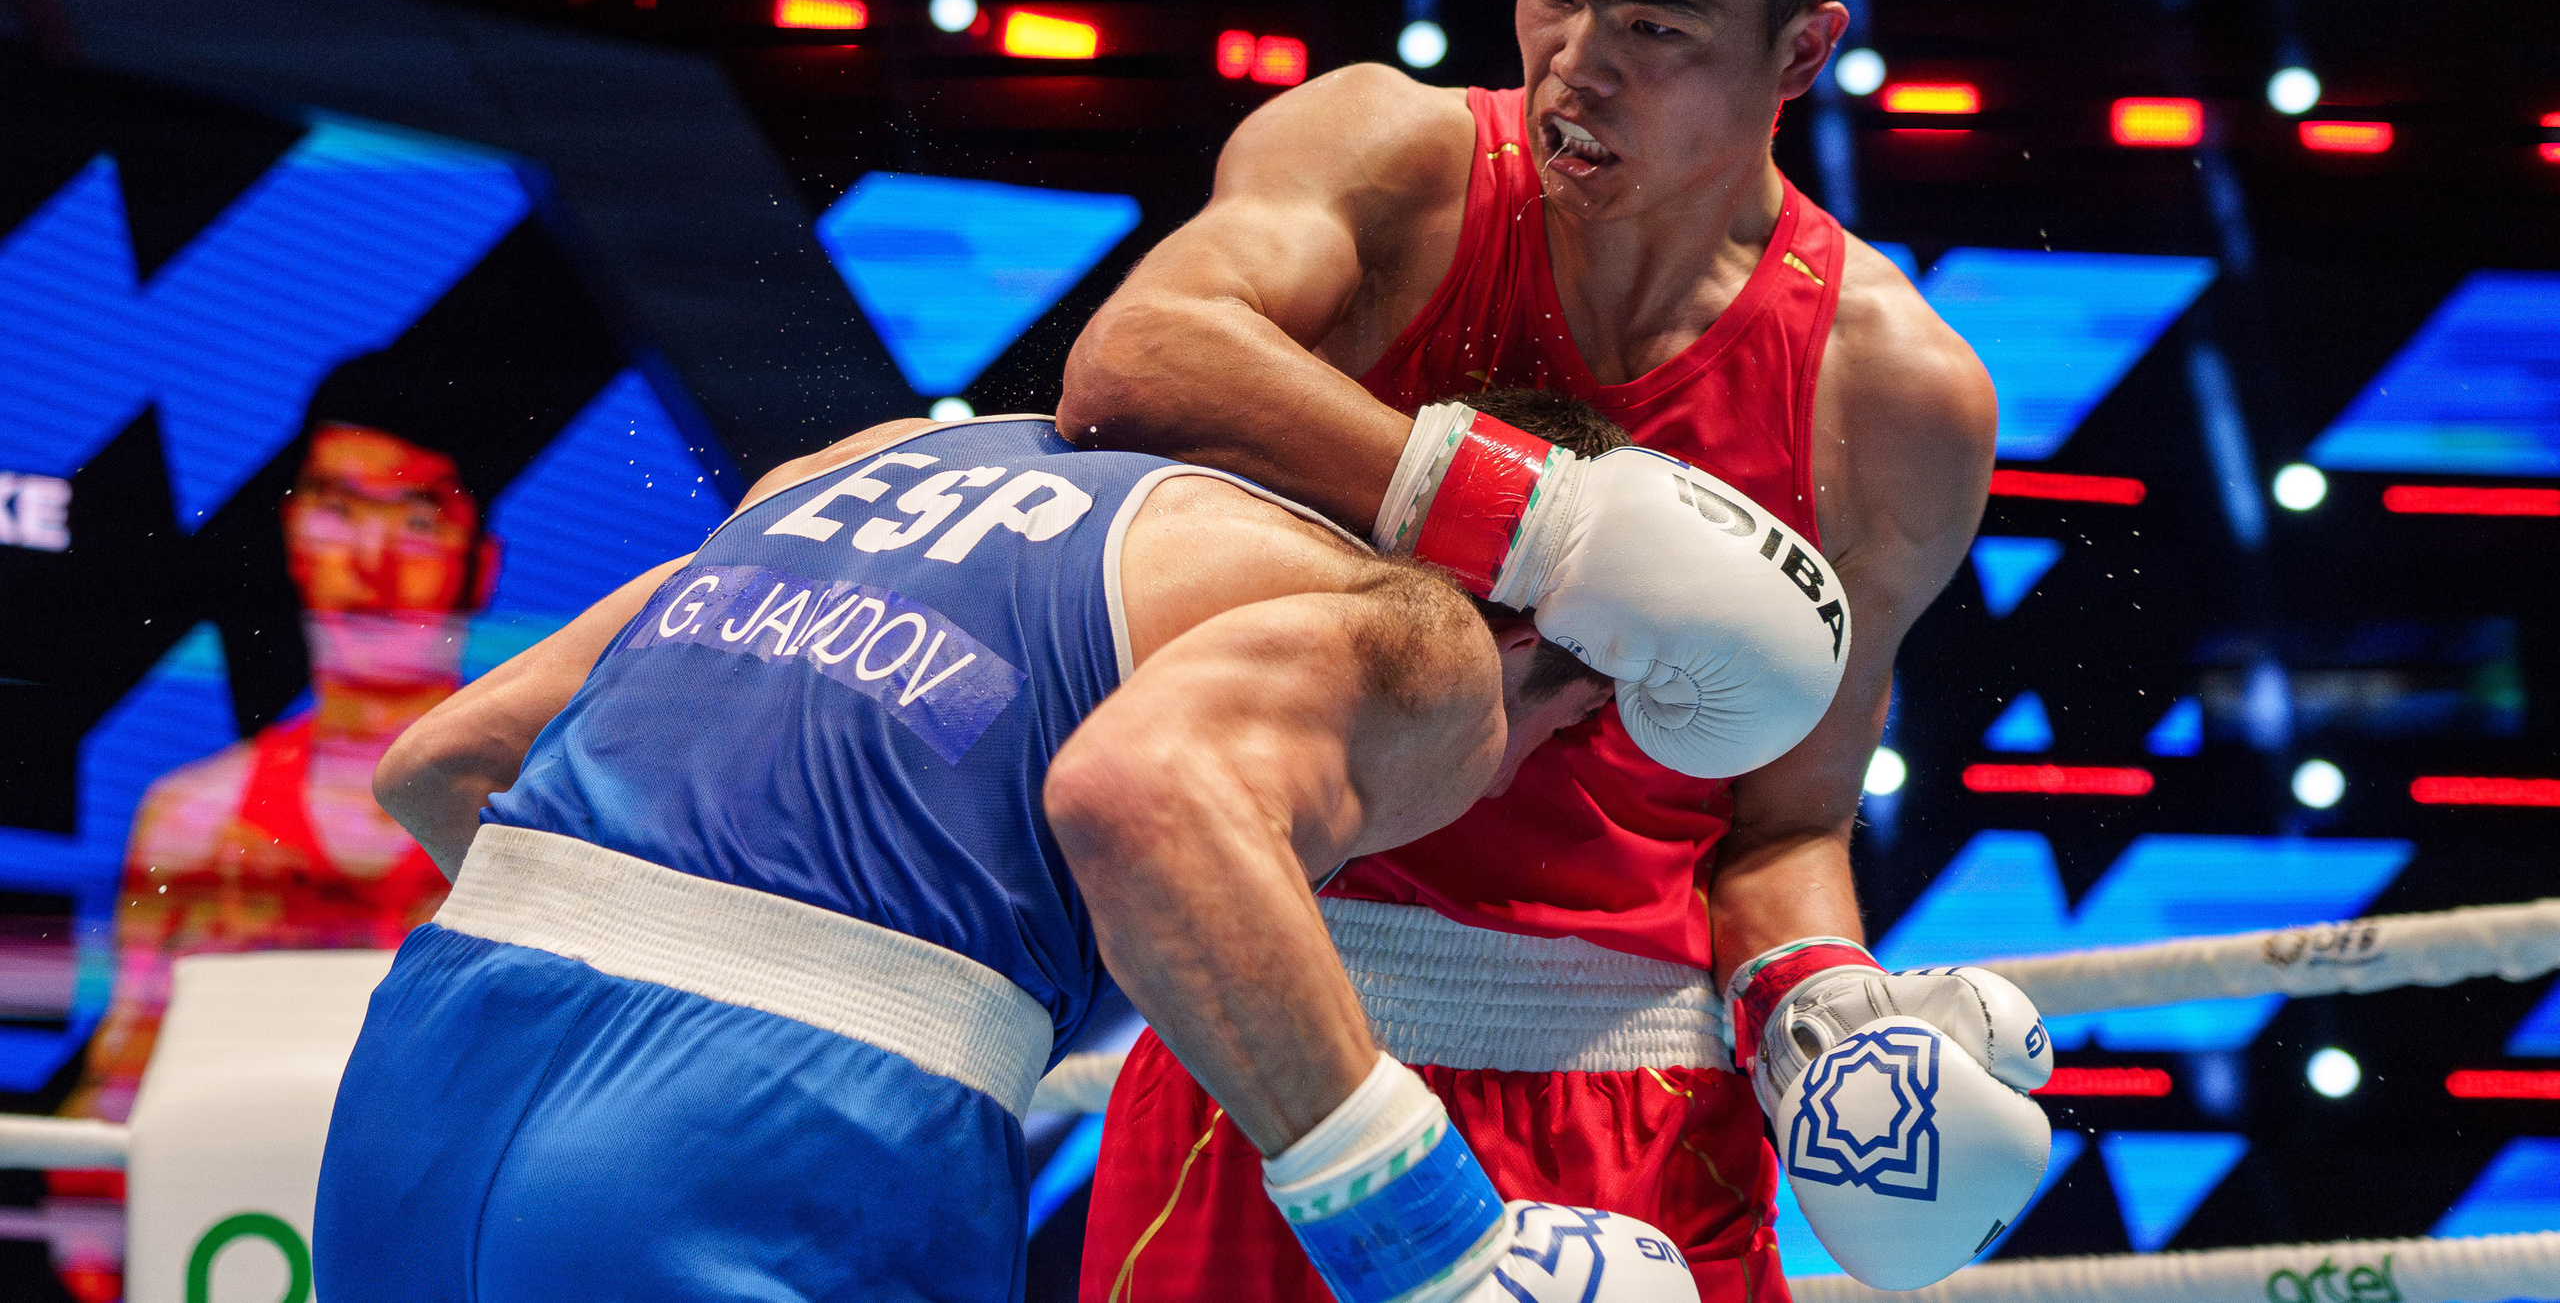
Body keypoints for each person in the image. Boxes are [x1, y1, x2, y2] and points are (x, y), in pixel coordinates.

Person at [1063, 0, 2052, 1302]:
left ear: (1799, 54)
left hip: (1650, 1115)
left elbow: (1783, 816)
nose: (1575, 61)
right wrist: (1549, 525)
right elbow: (1135, 361)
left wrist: (1818, 1016)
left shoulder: (1892, 396)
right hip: (1287, 1048)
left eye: (1655, 25)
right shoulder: (1393, 167)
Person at [315, 398, 1816, 1303]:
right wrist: (1439, 1245)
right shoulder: (1425, 639)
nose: (1514, 770)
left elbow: (445, 762)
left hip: (426, 1078)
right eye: (1560, 737)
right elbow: (1142, 803)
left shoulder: (880, 463)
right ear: (1553, 642)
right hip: (771, 1130)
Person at [47, 424, 477, 1303]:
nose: (370, 556)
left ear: (483, 553)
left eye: (417, 518)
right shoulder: (193, 820)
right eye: (338, 507)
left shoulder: (554, 814)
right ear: (292, 533)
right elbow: (116, 1095)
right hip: (231, 1247)